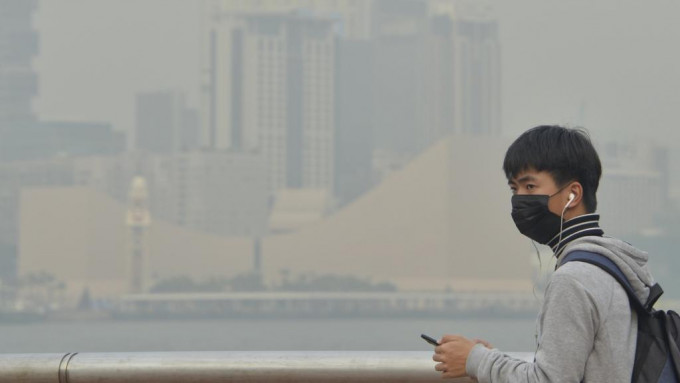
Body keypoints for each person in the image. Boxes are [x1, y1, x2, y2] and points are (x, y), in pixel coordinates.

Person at [432, 125, 656, 382]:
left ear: (573, 194)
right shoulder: (613, 266)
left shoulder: (573, 279)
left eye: (529, 186)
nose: (518, 200)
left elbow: (549, 380)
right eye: (514, 189)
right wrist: (495, 361)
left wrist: (475, 359)